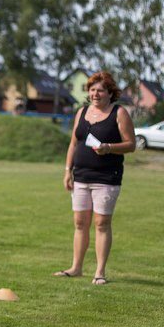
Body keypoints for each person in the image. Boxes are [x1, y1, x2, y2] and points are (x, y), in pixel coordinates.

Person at [54, 71, 135, 285]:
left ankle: (100, 272)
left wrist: (108, 148)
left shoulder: (119, 113)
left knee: (101, 223)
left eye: (100, 90)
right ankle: (76, 268)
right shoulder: (82, 112)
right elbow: (73, 143)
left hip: (107, 177)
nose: (95, 94)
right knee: (80, 223)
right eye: (92, 89)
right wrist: (67, 170)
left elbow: (131, 144)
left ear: (110, 93)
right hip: (80, 176)